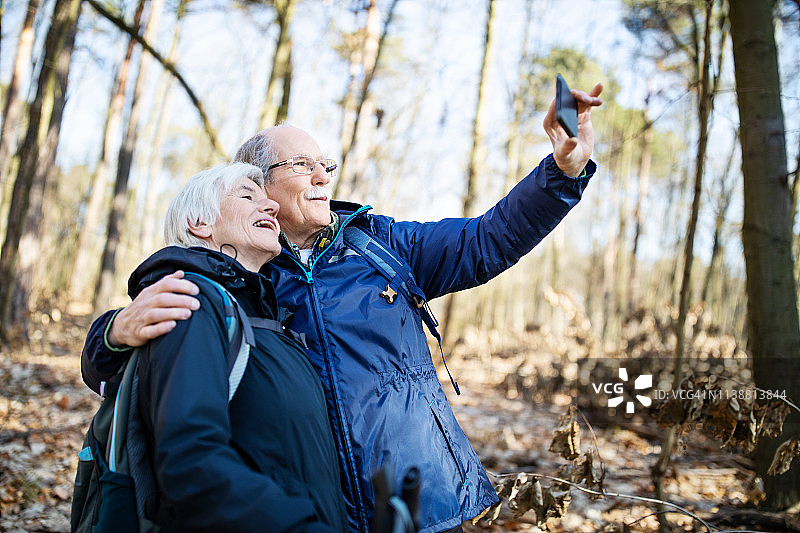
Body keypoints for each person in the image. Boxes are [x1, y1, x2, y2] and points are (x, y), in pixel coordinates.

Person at [81, 83, 604, 533]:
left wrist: (560, 173)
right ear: (258, 184)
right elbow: (157, 348)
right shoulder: (246, 274)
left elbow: (486, 240)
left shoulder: (382, 244)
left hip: (418, 500)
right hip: (316, 508)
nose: (323, 177)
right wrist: (110, 332)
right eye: (303, 165)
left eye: (325, 165)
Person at [123, 162, 348, 532]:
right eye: (247, 196)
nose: (271, 206)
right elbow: (191, 462)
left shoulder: (267, 317)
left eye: (267, 198)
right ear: (200, 224)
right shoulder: (190, 303)